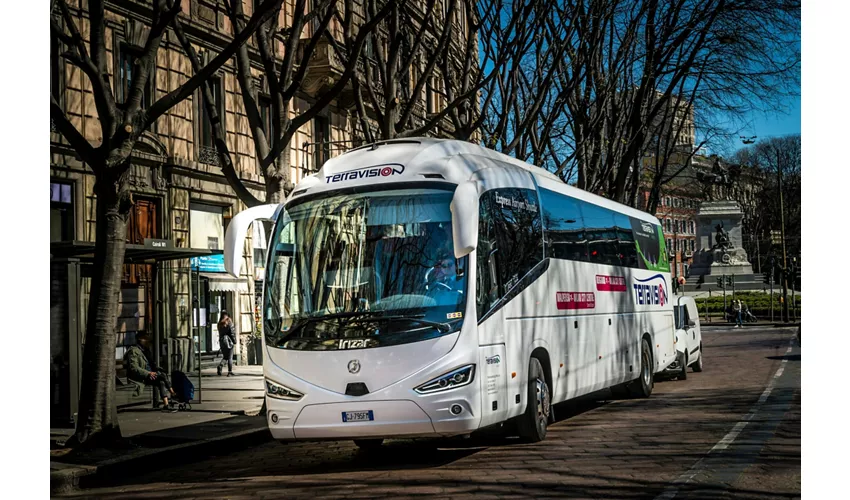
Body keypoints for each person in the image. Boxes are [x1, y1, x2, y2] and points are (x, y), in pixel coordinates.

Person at [125, 332, 177, 412]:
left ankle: (166, 405)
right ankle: (173, 393)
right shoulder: (134, 351)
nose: (148, 341)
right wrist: (148, 373)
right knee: (162, 377)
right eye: (146, 338)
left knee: (161, 381)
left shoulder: (146, 350)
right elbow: (134, 368)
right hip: (142, 376)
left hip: (150, 374)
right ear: (140, 339)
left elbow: (151, 364)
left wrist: (157, 369)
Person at [218, 312, 236, 377]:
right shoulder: (229, 322)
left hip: (222, 342)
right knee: (230, 357)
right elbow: (232, 333)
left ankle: (220, 365)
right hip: (229, 341)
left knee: (225, 356)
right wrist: (234, 341)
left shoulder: (220, 323)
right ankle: (230, 372)